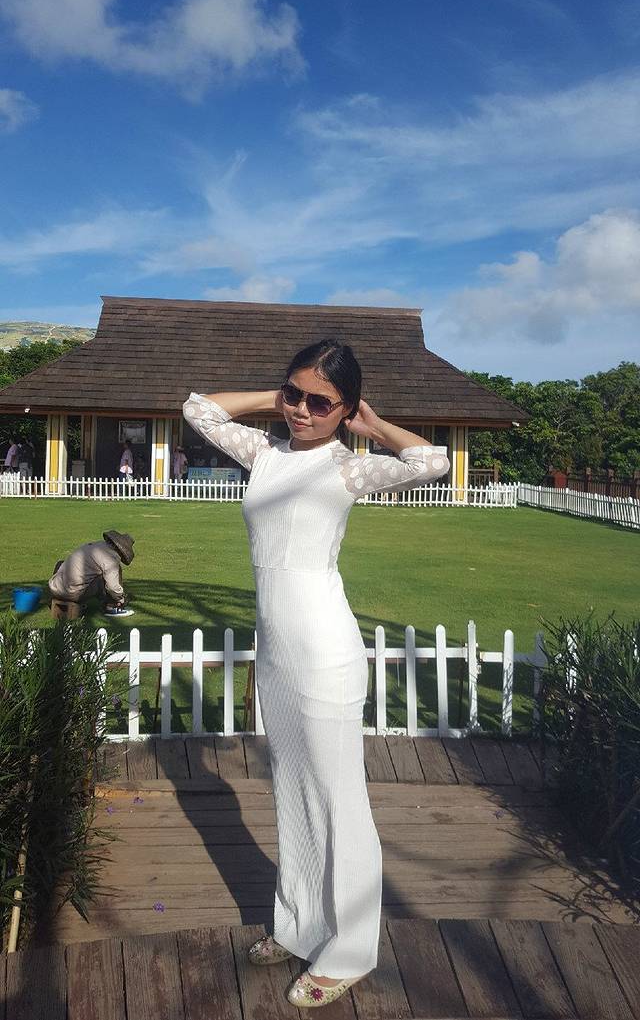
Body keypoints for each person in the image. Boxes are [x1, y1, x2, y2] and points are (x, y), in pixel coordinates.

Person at [182, 338, 450, 1008]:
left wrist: (373, 425)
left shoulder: (348, 468)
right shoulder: (264, 453)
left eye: (320, 402)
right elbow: (198, 409)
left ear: (346, 409)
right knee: (292, 793)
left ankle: (351, 950)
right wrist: (273, 397)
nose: (302, 409)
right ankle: (299, 924)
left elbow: (432, 460)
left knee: (339, 801)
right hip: (276, 651)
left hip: (326, 652)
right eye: (294, 394)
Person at [48, 530, 136, 617]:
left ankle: (53, 597)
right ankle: (112, 607)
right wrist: (121, 598)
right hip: (72, 593)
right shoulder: (111, 558)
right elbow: (113, 587)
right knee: (104, 579)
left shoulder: (95, 545)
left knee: (61, 563)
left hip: (54, 588)